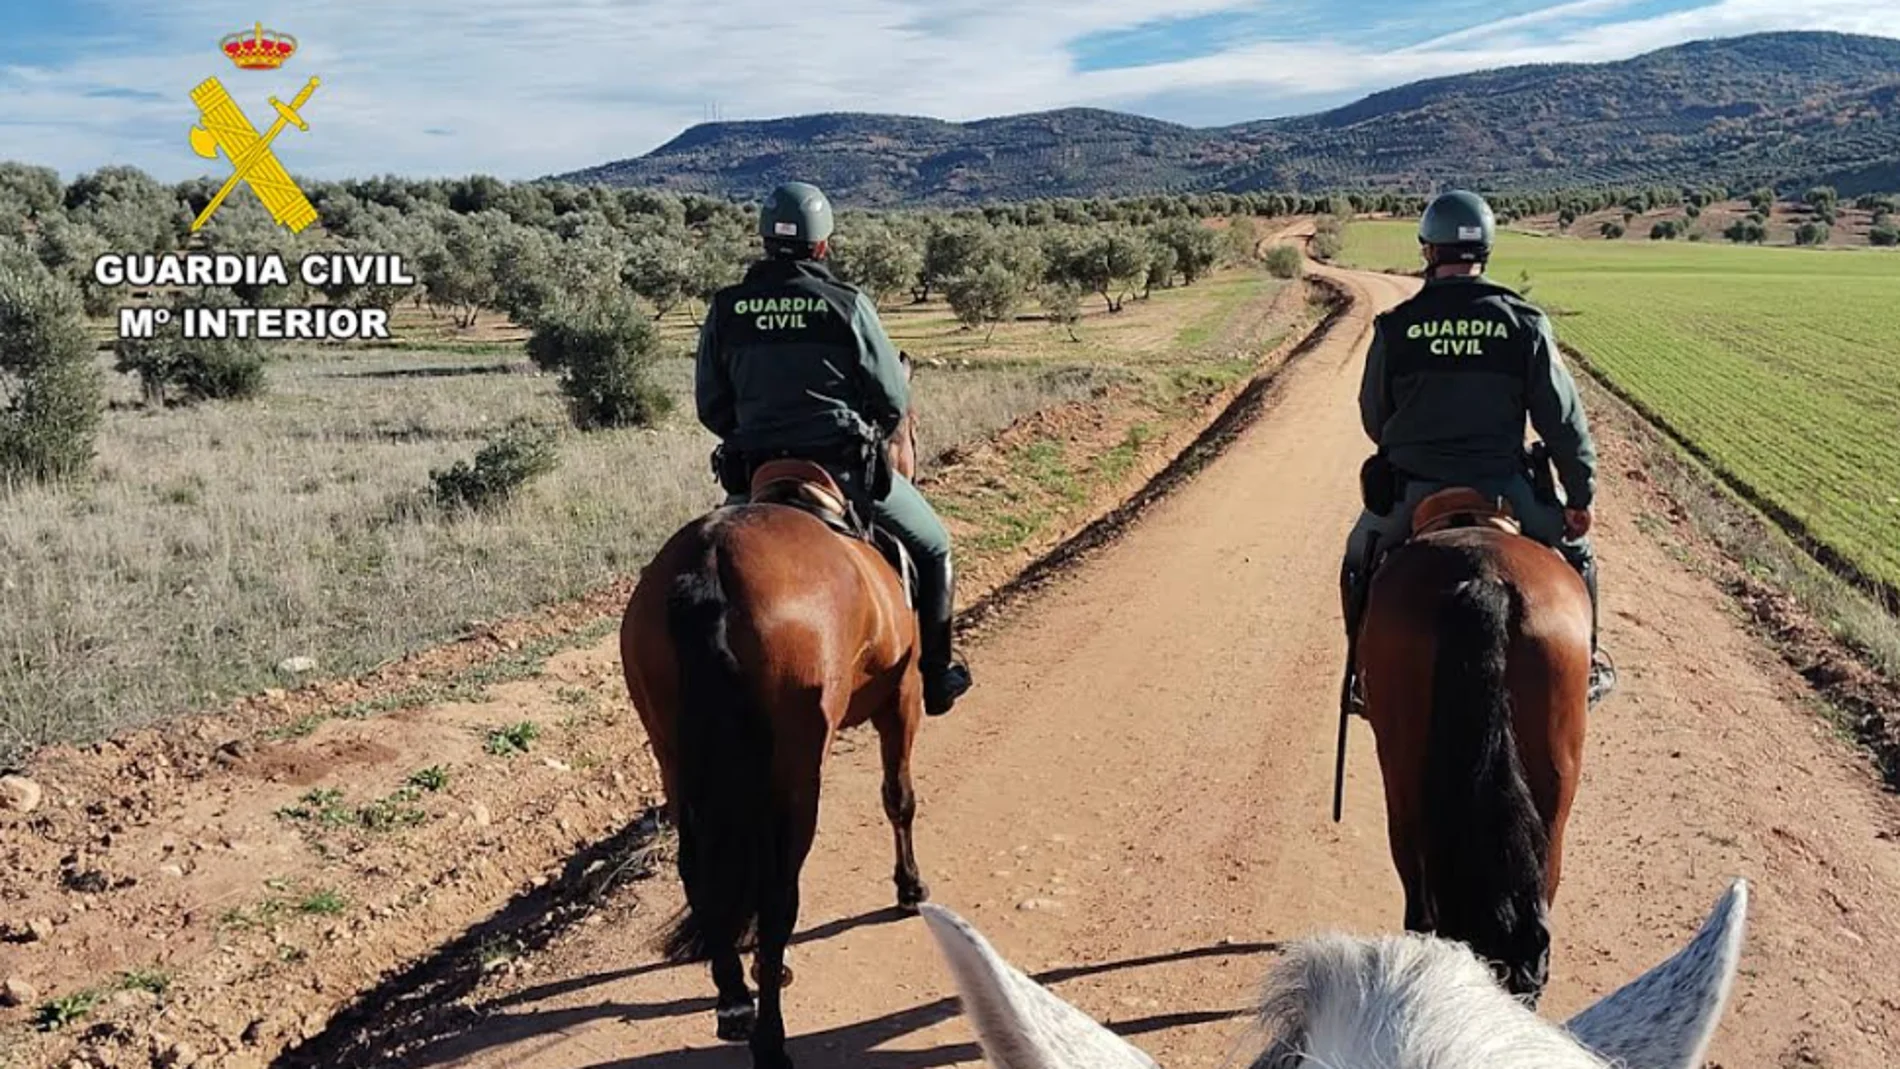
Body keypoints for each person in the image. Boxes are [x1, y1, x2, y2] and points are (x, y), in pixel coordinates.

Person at [694, 181, 974, 716]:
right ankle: (937, 675)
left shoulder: (727, 308)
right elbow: (892, 398)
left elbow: (711, 406)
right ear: (822, 244)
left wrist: (754, 433)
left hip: (754, 477)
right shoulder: (847, 304)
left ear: (764, 240)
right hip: (839, 471)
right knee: (934, 547)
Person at [1341, 189, 1615, 705]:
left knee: (1359, 557)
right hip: (1505, 486)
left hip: (1413, 491)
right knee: (1576, 553)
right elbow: (1564, 424)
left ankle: (1361, 675)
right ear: (1485, 250)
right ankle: (1589, 663)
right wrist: (1579, 498)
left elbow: (1375, 420)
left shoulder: (1396, 328)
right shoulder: (1524, 323)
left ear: (1429, 250)